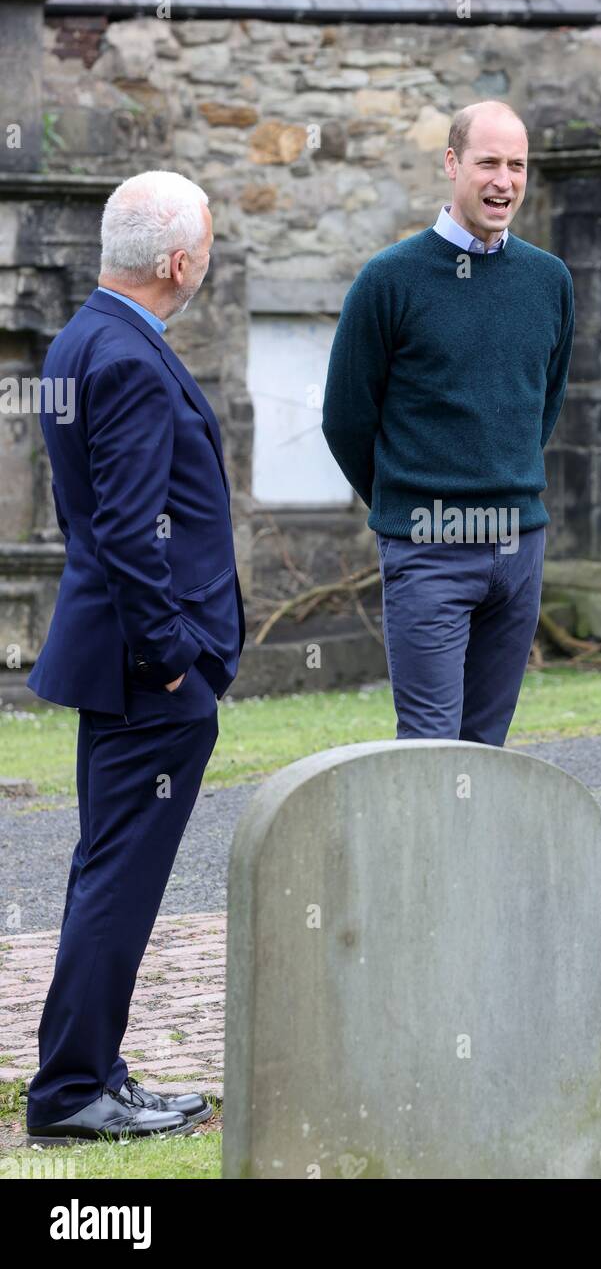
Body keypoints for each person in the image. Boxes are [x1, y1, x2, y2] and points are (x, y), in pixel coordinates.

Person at [25, 170, 245, 1144]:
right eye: (204, 242)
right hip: (143, 674)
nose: (205, 258)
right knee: (116, 875)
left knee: (102, 869)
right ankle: (75, 1090)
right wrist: (170, 658)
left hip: (117, 664)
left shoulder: (81, 340)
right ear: (175, 261)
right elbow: (123, 528)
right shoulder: (124, 358)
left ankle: (90, 1068)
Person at [322, 100, 574, 745]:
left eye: (517, 165)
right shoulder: (389, 281)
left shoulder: (549, 281)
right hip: (427, 546)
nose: (504, 181)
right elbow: (345, 418)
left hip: (519, 543)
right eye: (488, 162)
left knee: (488, 747)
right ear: (452, 163)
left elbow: (540, 403)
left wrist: (501, 477)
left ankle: (477, 855)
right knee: (431, 749)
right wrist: (406, 503)